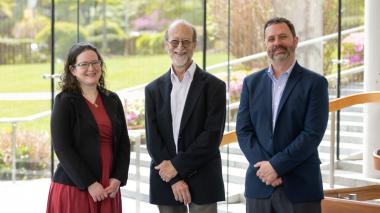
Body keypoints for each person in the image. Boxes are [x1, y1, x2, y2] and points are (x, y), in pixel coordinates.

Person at [236, 17, 329, 213]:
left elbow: (312, 134)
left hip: (300, 187)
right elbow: (244, 131)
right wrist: (266, 170)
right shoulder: (251, 83)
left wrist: (276, 166)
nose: (277, 43)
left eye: (283, 37)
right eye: (271, 39)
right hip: (259, 186)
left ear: (295, 41)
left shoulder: (315, 83)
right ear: (265, 44)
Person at [145, 19, 226, 213]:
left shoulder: (215, 87)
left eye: (186, 42)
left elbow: (212, 136)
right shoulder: (153, 89)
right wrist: (174, 177)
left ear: (194, 45)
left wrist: (177, 167)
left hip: (204, 175)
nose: (180, 47)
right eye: (174, 42)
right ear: (166, 45)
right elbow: (153, 140)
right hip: (165, 179)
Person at [46, 42, 130, 213]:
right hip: (75, 187)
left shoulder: (112, 100)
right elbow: (62, 148)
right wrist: (89, 183)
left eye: (95, 62)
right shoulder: (64, 101)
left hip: (108, 188)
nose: (91, 68)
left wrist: (118, 178)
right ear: (73, 70)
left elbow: (123, 143)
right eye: (84, 64)